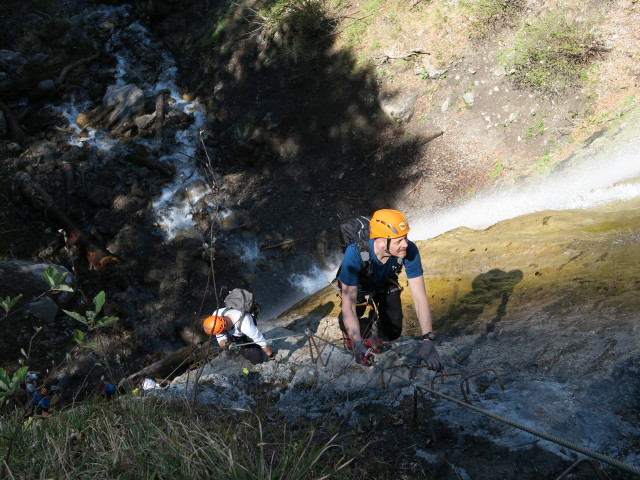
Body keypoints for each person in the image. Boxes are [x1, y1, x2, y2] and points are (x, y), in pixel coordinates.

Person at [338, 209, 443, 370]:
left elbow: (419, 297)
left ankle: (373, 331)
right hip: (358, 286)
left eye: (406, 238)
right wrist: (357, 343)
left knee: (393, 331)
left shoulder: (410, 251)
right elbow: (348, 306)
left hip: (384, 282)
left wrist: (428, 340)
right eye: (399, 241)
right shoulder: (355, 254)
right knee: (351, 321)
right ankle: (358, 332)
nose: (405, 244)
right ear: (380, 242)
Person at [203, 307, 275, 365]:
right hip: (233, 336)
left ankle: (243, 349)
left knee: (257, 361)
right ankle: (238, 347)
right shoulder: (216, 315)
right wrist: (227, 344)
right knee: (233, 344)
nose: (220, 333)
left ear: (224, 327)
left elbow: (261, 341)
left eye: (221, 331)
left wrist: (270, 355)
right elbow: (220, 339)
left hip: (245, 335)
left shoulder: (246, 326)